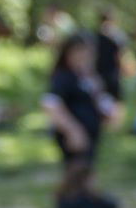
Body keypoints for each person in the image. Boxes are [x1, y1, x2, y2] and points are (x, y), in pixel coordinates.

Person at [41, 33, 114, 166]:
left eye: (89, 54)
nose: (85, 58)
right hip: (75, 137)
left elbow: (102, 103)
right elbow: (50, 104)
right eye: (80, 53)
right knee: (77, 174)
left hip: (91, 136)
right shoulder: (64, 77)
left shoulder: (89, 78)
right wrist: (72, 130)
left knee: (87, 171)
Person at [93, 8, 131, 103]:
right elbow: (120, 54)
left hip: (102, 71)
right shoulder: (117, 35)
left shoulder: (95, 35)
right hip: (111, 72)